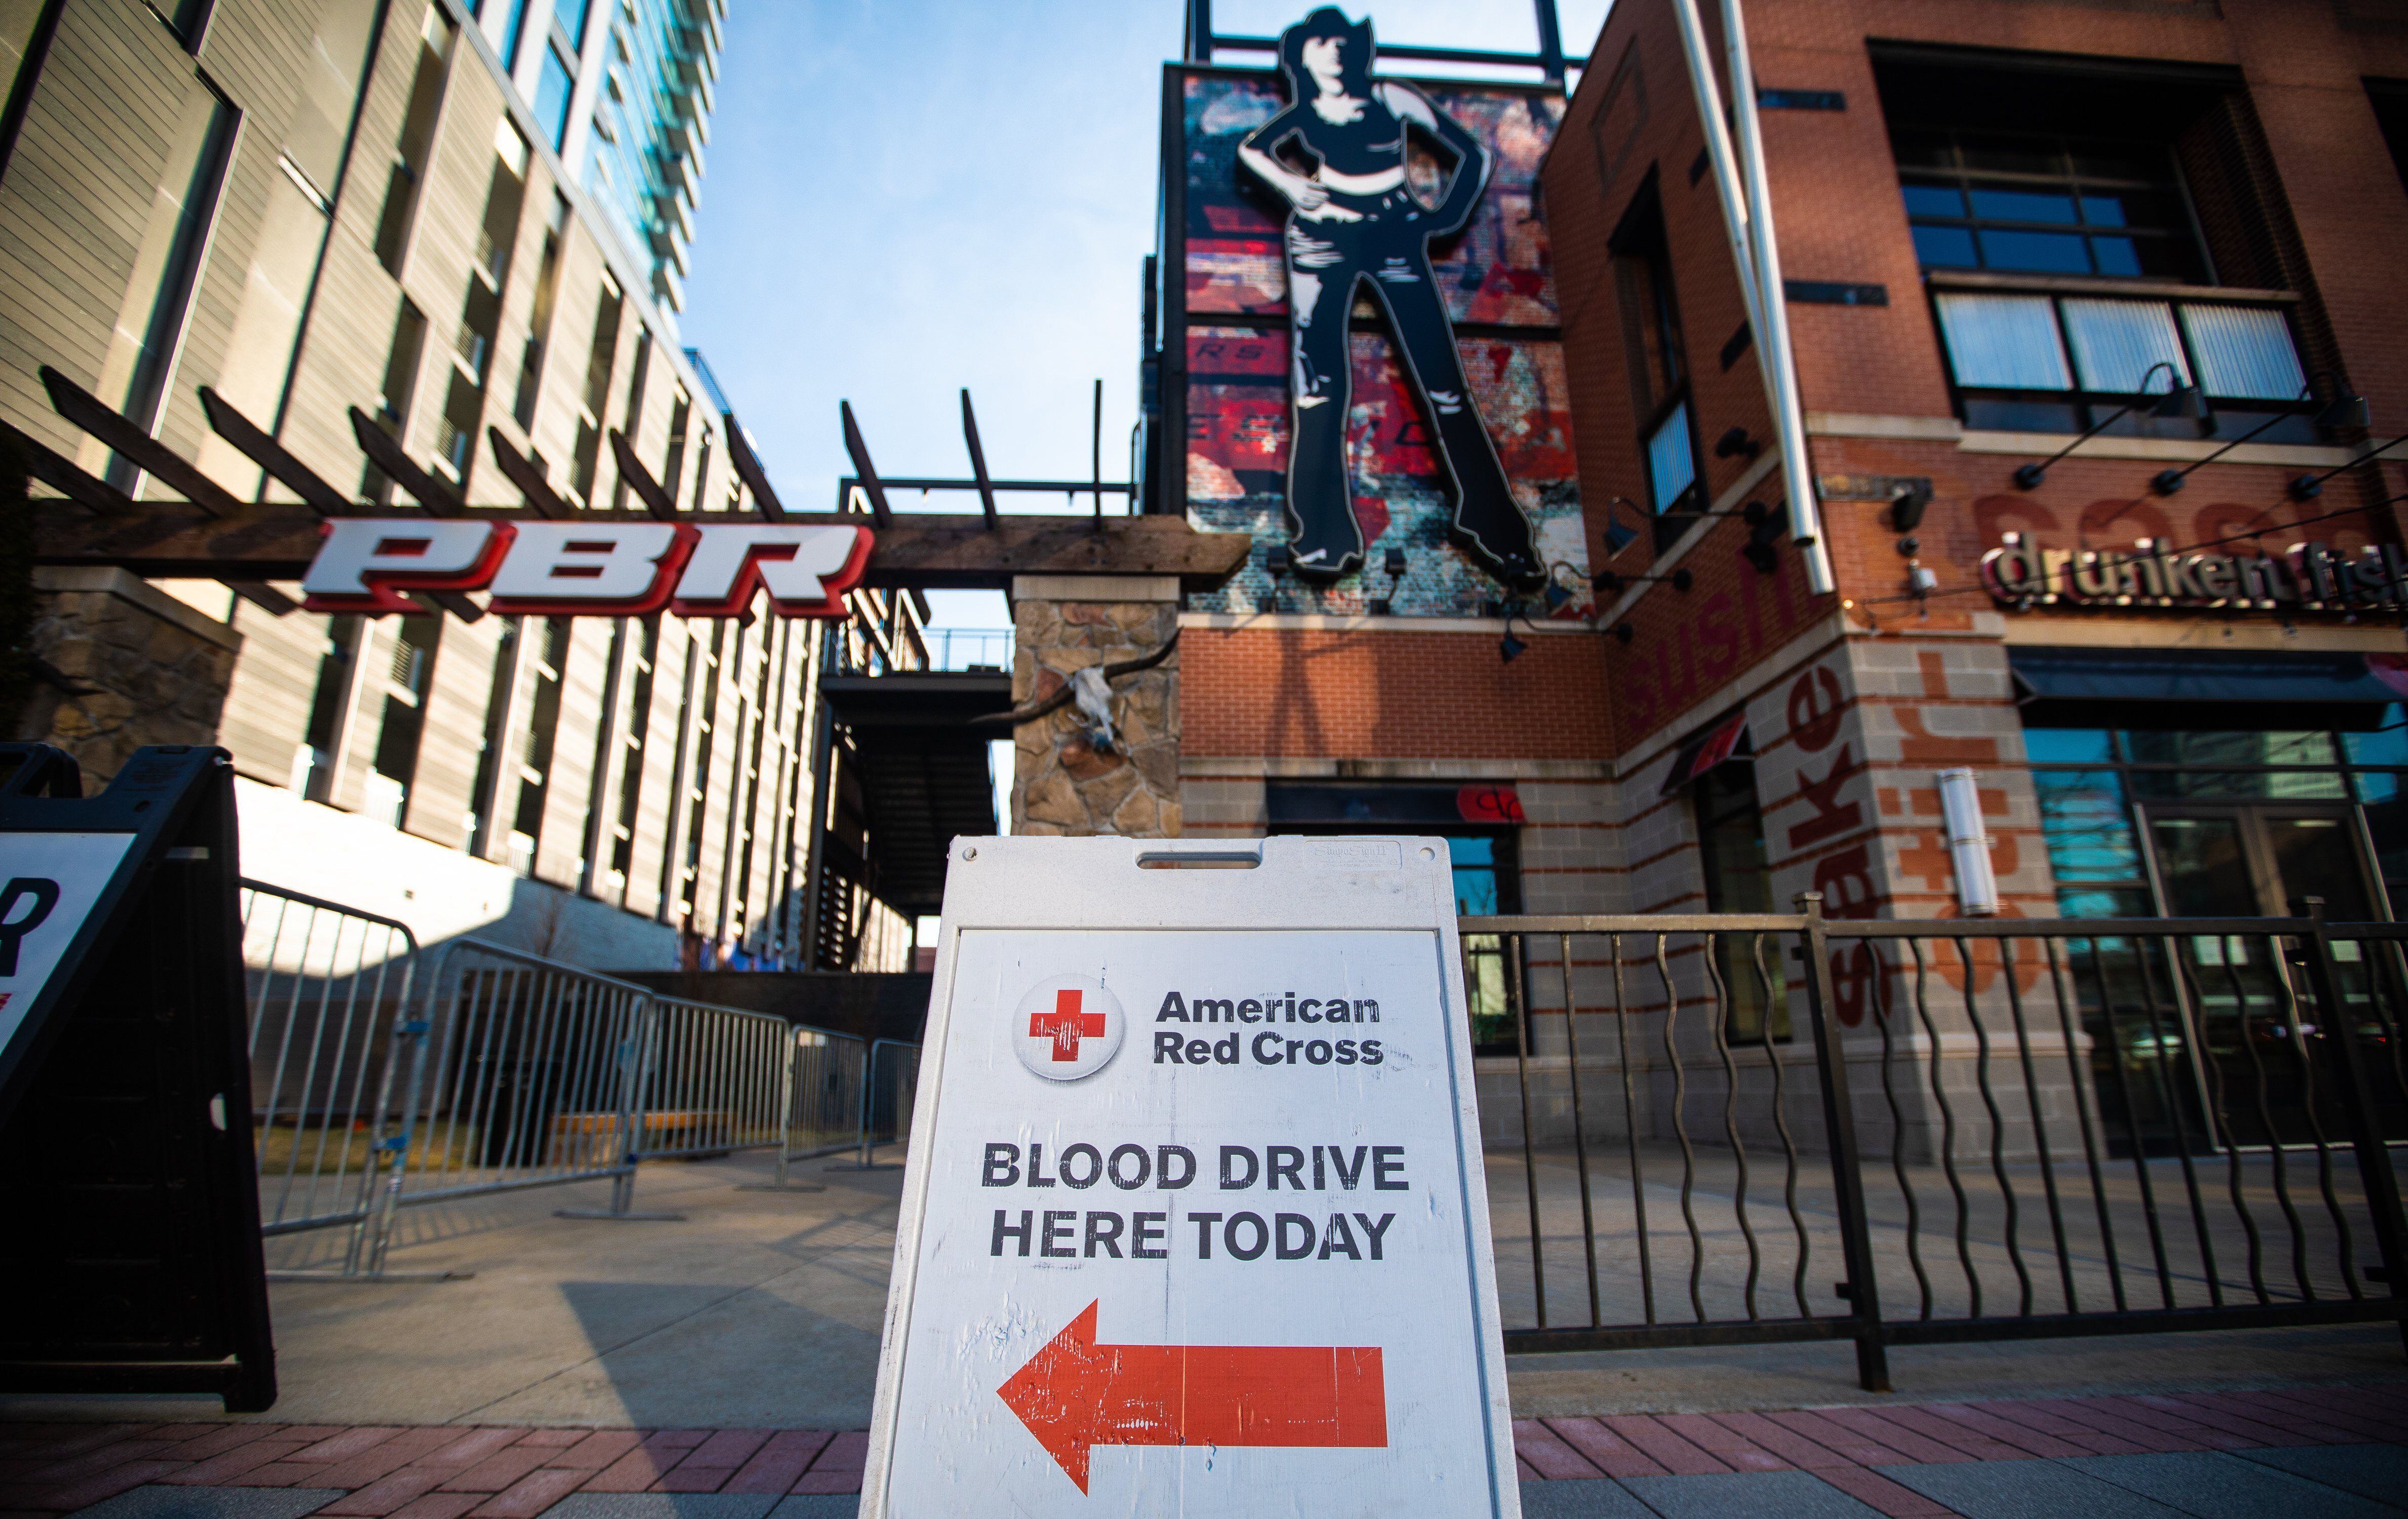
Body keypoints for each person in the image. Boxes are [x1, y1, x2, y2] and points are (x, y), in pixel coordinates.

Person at [1238, 7, 1543, 589]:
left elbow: (1471, 154)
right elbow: (1252, 151)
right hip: (1321, 237)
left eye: (1340, 42)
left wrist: (1442, 217)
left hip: (1394, 231)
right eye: (1319, 44)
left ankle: (1494, 526)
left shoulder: (1391, 97)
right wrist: (1291, 185)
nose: (1332, 52)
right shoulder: (1304, 113)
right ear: (1302, 58)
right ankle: (1322, 535)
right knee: (1317, 386)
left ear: (1355, 50)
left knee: (1442, 380)